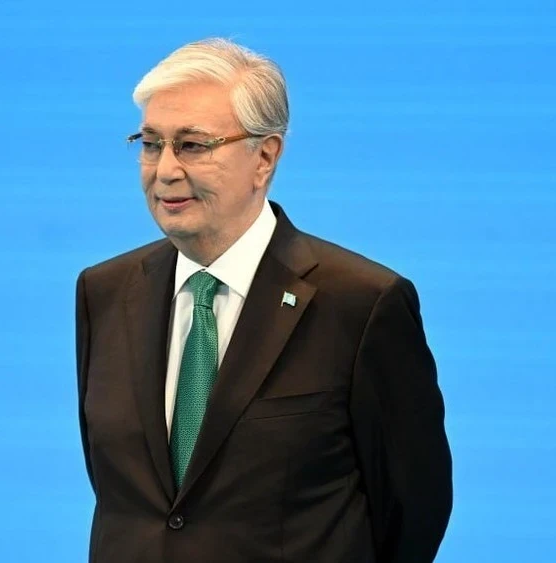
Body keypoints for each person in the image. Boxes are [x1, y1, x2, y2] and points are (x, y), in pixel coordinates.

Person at [74, 37, 452, 562]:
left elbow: (412, 511)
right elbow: (123, 494)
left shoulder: (362, 304)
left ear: (265, 157)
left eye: (193, 145)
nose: (165, 170)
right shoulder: (105, 292)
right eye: (151, 143)